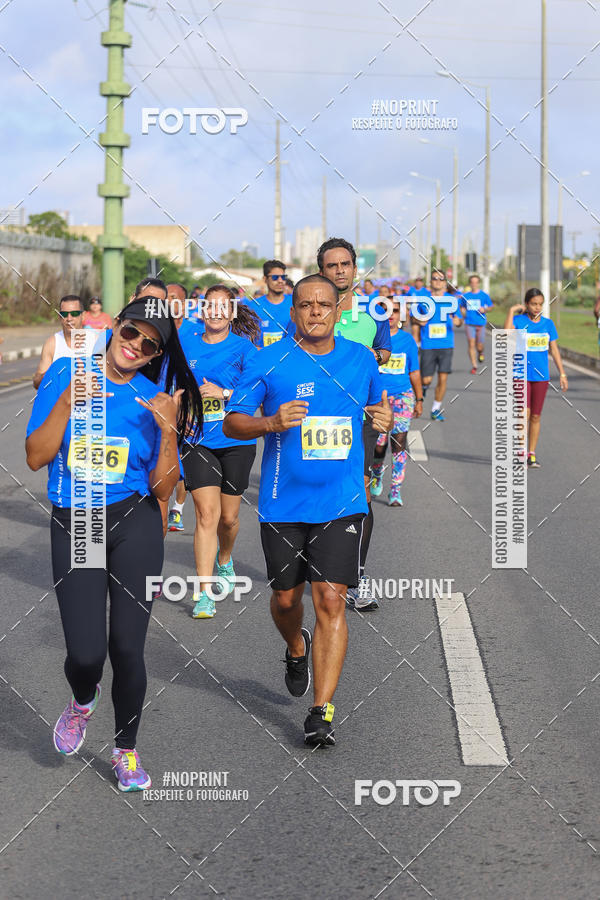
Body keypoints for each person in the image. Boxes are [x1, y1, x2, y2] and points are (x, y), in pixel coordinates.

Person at [25, 297, 203, 791]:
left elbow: (164, 490)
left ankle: (126, 750)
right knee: (86, 655)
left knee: (127, 646)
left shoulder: (154, 398)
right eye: (131, 332)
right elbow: (35, 456)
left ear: (156, 355)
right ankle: (83, 701)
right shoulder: (66, 373)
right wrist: (68, 401)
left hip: (133, 520)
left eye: (150, 345)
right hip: (79, 521)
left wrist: (168, 431)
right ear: (115, 326)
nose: (136, 346)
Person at [223, 274, 392, 746]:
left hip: (342, 501)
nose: (315, 311)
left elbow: (378, 408)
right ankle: (296, 645)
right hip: (283, 503)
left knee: (331, 600)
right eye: (306, 304)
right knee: (285, 601)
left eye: (324, 304)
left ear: (338, 310)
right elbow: (232, 422)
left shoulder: (360, 359)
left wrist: (384, 418)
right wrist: (270, 422)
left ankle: (322, 711)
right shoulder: (268, 359)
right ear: (293, 311)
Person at [313, 238, 391, 611]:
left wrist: (368, 357)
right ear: (322, 271)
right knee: (321, 490)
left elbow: (385, 349)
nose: (340, 270)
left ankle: (356, 577)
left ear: (355, 268)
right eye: (332, 265)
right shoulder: (311, 309)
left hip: (360, 418)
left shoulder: (374, 311)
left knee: (359, 493)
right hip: (316, 418)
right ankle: (320, 567)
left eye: (345, 264)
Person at [178, 284, 260, 618]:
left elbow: (256, 393)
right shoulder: (185, 344)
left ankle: (224, 558)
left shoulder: (245, 349)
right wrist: (181, 410)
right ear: (202, 311)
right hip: (197, 440)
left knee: (228, 518)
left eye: (222, 307)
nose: (215, 312)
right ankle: (203, 593)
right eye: (209, 306)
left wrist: (224, 393)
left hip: (236, 440)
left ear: (231, 312)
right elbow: (170, 385)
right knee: (206, 515)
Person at [505, 288, 568, 467]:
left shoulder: (548, 324)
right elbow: (506, 334)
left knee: (535, 416)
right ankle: (521, 449)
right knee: (523, 413)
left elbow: (554, 350)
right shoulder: (519, 321)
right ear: (527, 304)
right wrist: (511, 311)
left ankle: (531, 453)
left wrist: (562, 373)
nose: (537, 307)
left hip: (541, 376)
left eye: (540, 304)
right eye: (533, 304)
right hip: (521, 373)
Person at [370, 298, 423, 506]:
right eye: (385, 310)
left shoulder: (407, 340)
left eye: (395, 310)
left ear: (400, 314)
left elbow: (414, 371)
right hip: (378, 398)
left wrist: (419, 399)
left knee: (398, 443)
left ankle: (395, 490)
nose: (390, 314)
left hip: (402, 396)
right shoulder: (373, 338)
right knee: (379, 444)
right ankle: (376, 473)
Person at [413, 270, 463, 421]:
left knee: (443, 378)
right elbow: (413, 318)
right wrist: (419, 321)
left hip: (446, 344)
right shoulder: (424, 300)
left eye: (441, 279)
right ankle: (423, 389)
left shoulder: (452, 300)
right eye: (435, 278)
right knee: (426, 380)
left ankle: (435, 409)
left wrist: (458, 322)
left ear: (445, 282)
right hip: (428, 344)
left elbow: (459, 320)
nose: (438, 281)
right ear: (430, 282)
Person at [33, 295, 84, 389]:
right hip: (59, 397)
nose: (69, 318)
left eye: (74, 313)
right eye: (64, 314)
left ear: (83, 315)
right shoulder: (52, 343)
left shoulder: (96, 341)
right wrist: (54, 371)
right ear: (59, 317)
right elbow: (36, 383)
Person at [246, 260, 292, 348]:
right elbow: (246, 339)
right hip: (261, 355)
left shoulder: (295, 303)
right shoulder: (253, 306)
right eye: (275, 277)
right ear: (265, 279)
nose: (280, 281)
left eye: (283, 277)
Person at [459, 274, 493, 373]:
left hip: (480, 323)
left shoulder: (484, 295)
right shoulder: (466, 296)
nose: (474, 284)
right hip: (469, 323)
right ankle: (474, 366)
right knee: (471, 344)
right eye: (472, 282)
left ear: (478, 283)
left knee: (479, 345)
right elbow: (461, 306)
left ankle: (480, 352)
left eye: (476, 282)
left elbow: (491, 306)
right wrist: (463, 312)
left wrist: (485, 309)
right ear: (470, 283)